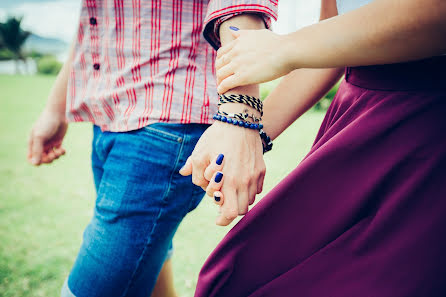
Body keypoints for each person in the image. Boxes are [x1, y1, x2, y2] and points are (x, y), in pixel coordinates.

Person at [181, 0, 446, 296]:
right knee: (238, 275)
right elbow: (334, 41)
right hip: (355, 123)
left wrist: (285, 48)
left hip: (429, 129)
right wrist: (247, 133)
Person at [26, 1, 277, 296]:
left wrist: (241, 118)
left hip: (166, 124)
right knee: (149, 259)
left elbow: (240, 6)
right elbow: (95, 18)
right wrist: (56, 108)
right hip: (111, 118)